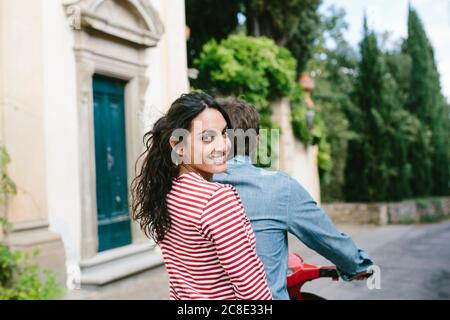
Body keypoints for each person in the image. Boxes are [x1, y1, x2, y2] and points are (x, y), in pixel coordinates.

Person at [214, 98, 374, 300]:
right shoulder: (280, 187)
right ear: (256, 140)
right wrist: (358, 265)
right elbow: (329, 240)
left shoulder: (185, 189)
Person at [130, 92, 272, 300]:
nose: (223, 146)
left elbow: (182, 284)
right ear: (178, 146)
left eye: (224, 134)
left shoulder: (166, 194)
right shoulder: (216, 199)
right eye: (207, 138)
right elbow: (252, 290)